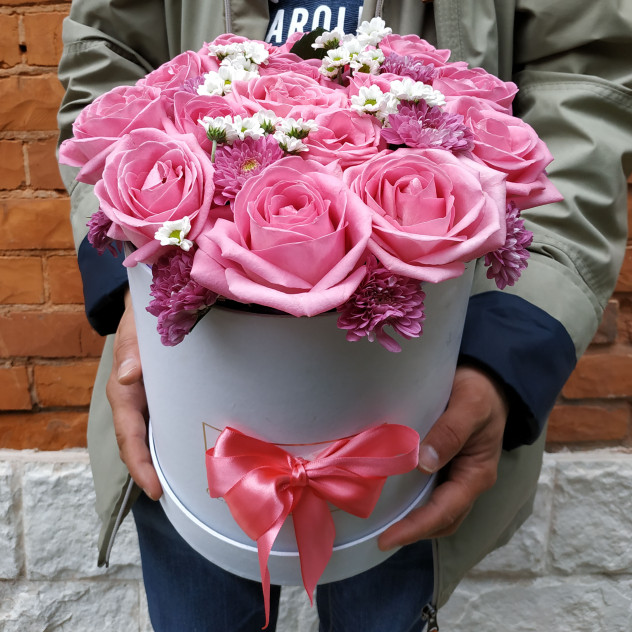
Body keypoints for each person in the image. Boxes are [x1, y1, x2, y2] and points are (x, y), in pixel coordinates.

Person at [57, 0, 632, 630]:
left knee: (383, 590)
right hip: (182, 391)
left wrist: (507, 352)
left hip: (419, 394)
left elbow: (584, 85)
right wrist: (130, 280)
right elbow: (104, 53)